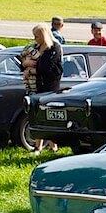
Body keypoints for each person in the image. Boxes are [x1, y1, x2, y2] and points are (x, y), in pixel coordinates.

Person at [25, 24, 62, 152]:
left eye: (37, 36)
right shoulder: (37, 47)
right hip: (36, 85)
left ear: (44, 35)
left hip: (50, 86)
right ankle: (39, 146)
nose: (35, 39)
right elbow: (24, 59)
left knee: (47, 115)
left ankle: (53, 146)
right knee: (37, 114)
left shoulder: (54, 48)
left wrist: (30, 69)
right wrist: (26, 63)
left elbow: (45, 68)